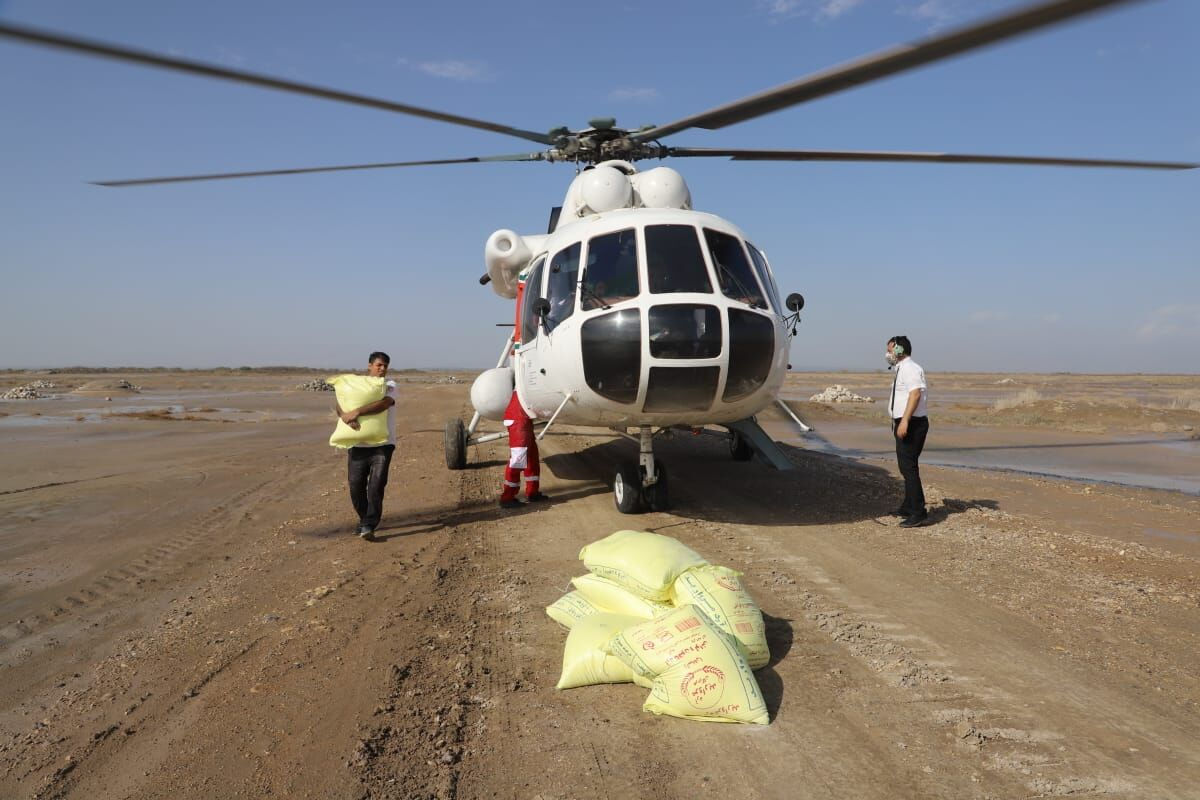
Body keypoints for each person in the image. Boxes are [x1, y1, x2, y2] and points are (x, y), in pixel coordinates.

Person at [337, 351, 397, 540]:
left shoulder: (390, 385)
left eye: (385, 366)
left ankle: (369, 525)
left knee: (376, 486)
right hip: (358, 444)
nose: (383, 369)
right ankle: (364, 521)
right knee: (356, 487)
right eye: (379, 365)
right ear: (369, 365)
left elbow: (384, 404)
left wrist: (357, 412)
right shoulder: (355, 385)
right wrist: (346, 417)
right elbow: (340, 402)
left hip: (383, 445)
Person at [886, 335, 930, 528]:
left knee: (909, 467)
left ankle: (918, 512)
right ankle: (908, 505)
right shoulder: (902, 368)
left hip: (912, 423)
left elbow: (915, 394)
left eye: (890, 350)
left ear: (898, 350)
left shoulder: (910, 368)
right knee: (905, 467)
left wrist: (904, 421)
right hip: (906, 422)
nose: (887, 354)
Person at [499, 390, 548, 508]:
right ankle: (507, 498)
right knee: (518, 460)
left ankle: (532, 492)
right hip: (518, 420)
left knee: (532, 458)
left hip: (524, 419)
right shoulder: (529, 384)